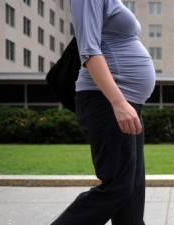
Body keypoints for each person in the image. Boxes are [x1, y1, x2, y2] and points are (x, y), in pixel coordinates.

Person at [50, 0, 156, 224]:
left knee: (132, 190)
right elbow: (89, 50)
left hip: (125, 101)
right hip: (107, 101)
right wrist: (118, 103)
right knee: (118, 186)